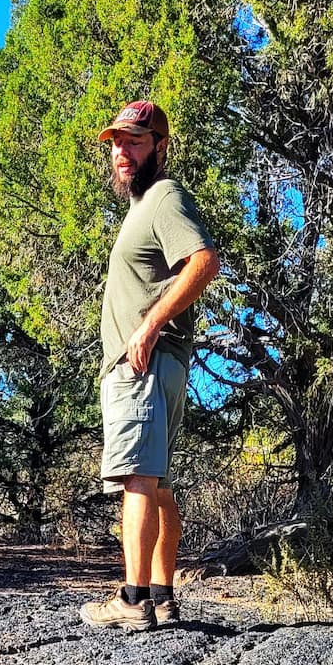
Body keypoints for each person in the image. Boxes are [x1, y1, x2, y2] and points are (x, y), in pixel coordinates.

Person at [80, 100, 220, 632]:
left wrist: (148, 326)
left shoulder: (164, 197)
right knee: (157, 482)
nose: (121, 151)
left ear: (160, 146)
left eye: (134, 141)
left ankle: (131, 600)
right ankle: (161, 596)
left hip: (143, 362)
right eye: (117, 142)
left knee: (137, 478)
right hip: (155, 363)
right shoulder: (142, 206)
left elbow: (204, 261)